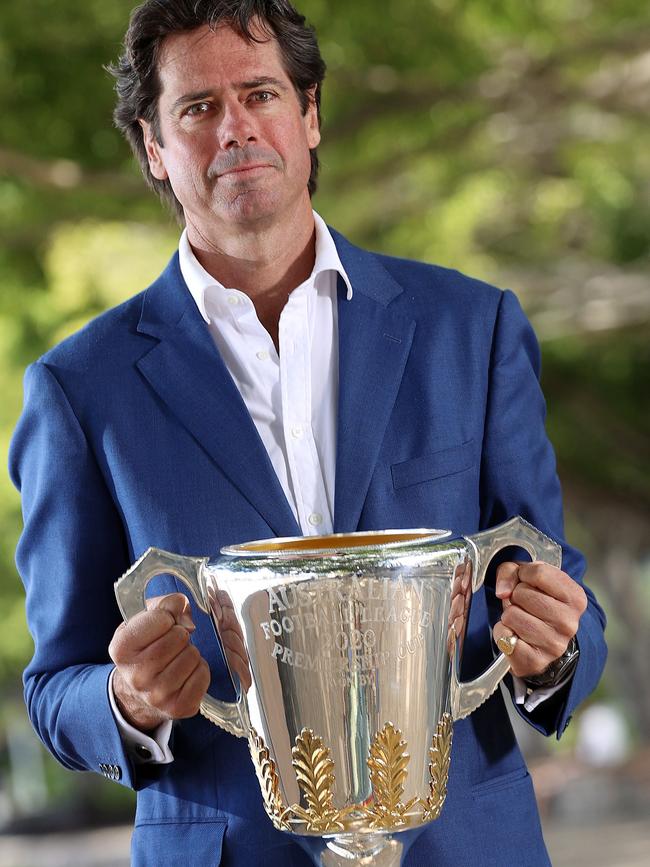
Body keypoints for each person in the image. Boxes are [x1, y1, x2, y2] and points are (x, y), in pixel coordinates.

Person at [9, 1, 606, 864]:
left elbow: (555, 586)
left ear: (311, 114)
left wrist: (552, 651)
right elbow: (57, 688)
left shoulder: (470, 330)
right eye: (198, 108)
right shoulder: (78, 388)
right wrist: (128, 699)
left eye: (260, 94)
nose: (236, 129)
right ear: (153, 146)